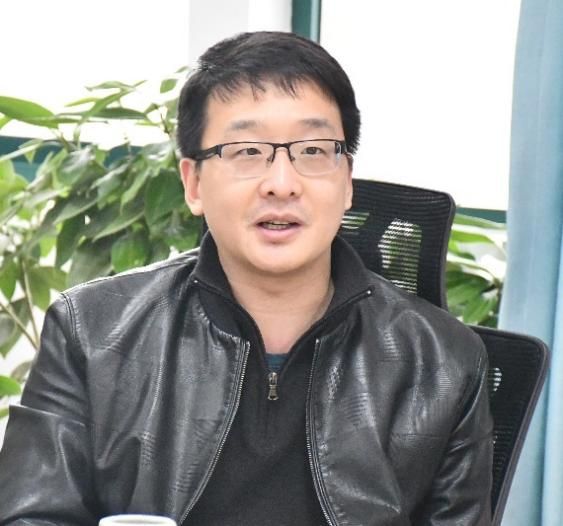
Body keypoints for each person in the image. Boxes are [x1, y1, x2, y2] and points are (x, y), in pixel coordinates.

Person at [0, 31, 493, 525]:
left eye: (313, 150)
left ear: (347, 182)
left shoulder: (444, 361)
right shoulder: (91, 332)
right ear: (193, 183)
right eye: (247, 151)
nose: (281, 184)